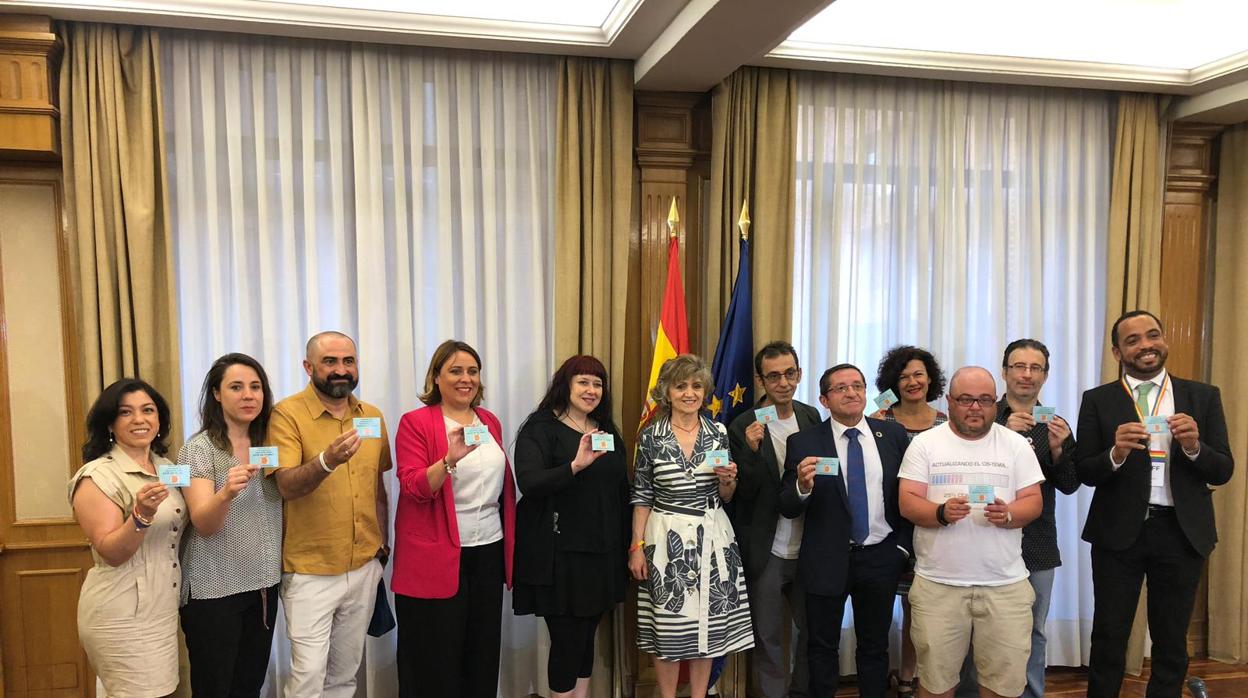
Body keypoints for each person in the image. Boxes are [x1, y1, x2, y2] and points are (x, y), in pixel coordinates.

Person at [1076, 311, 1233, 697]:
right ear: (1117, 351)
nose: (1145, 345)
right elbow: (1084, 470)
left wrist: (1195, 447)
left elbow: (1223, 469)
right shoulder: (1098, 400)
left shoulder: (1202, 395)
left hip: (1181, 533)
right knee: (1109, 634)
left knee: (1171, 637)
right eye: (1133, 340)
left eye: (1153, 335)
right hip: (1118, 534)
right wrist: (1114, 453)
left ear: (1164, 341)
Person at [898, 366, 1044, 698]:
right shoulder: (925, 444)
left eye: (984, 400)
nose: (975, 407)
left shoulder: (1015, 444)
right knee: (935, 684)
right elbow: (907, 502)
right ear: (949, 401)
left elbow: (1033, 501)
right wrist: (940, 513)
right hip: (938, 586)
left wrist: (1008, 514)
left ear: (996, 403)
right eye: (966, 399)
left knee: (1003, 686)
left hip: (1005, 586)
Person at [778, 363, 913, 698]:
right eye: (841, 388)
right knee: (822, 648)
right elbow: (787, 504)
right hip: (826, 559)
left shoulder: (892, 436)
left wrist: (901, 550)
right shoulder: (804, 441)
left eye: (857, 385)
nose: (851, 393)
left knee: (874, 647)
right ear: (824, 399)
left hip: (881, 557)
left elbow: (907, 496)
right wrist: (802, 486)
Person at [268, 331, 391, 698]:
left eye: (348, 361)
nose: (341, 370)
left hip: (364, 565)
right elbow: (286, 486)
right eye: (330, 362)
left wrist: (383, 547)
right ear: (309, 367)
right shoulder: (286, 415)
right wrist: (326, 461)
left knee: (345, 674)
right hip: (310, 570)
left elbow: (377, 487)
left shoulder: (371, 415)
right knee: (307, 676)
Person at [392, 340, 516, 698]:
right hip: (435, 555)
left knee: (481, 651)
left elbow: (499, 487)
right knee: (434, 658)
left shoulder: (488, 420)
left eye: (472, 371)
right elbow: (414, 486)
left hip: (487, 550)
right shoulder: (416, 422)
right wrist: (448, 460)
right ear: (436, 377)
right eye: (456, 371)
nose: (466, 379)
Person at [955, 340, 1078, 698]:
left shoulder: (1055, 423)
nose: (1026, 374)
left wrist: (1057, 449)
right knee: (974, 628)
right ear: (1005, 371)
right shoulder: (981, 416)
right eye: (1018, 366)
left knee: (1032, 629)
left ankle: (1030, 694)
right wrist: (1004, 432)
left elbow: (1069, 485)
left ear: (1045, 375)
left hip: (1035, 542)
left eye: (1035, 367)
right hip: (982, 536)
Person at [629, 354, 754, 698]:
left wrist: (729, 480)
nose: (689, 393)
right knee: (668, 630)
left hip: (714, 539)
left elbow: (726, 494)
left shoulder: (719, 432)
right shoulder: (651, 436)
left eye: (696, 386)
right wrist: (636, 548)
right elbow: (641, 496)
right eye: (681, 386)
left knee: (709, 626)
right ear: (666, 392)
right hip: (664, 541)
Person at [512, 355, 630, 698]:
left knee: (586, 636)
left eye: (597, 383)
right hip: (559, 557)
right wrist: (575, 466)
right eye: (583, 382)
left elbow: (620, 489)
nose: (591, 390)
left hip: (602, 553)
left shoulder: (605, 430)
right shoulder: (540, 427)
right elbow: (529, 482)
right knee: (567, 640)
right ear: (565, 385)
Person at [69, 378, 186, 697]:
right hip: (121, 611)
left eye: (148, 410)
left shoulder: (167, 467)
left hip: (161, 608)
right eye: (126, 412)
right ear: (110, 423)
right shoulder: (96, 476)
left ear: (159, 419)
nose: (139, 419)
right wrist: (140, 516)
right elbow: (111, 551)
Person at [179, 353, 283, 697]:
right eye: (236, 387)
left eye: (256, 387)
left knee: (249, 686)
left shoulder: (272, 443)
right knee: (214, 688)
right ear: (217, 393)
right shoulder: (198, 449)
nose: (248, 395)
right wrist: (225, 492)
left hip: (264, 585)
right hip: (214, 590)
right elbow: (203, 524)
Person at [728, 341, 821, 698]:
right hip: (766, 546)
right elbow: (742, 493)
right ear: (761, 380)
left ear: (798, 374)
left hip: (808, 545)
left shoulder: (811, 415)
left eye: (790, 373)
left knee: (812, 630)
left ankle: (802, 692)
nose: (783, 382)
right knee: (767, 635)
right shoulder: (743, 425)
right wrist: (750, 452)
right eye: (774, 376)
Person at [871, 344, 948, 696]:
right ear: (893, 383)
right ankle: (877, 674)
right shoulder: (880, 421)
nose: (912, 382)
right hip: (889, 526)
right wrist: (875, 412)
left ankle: (908, 677)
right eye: (903, 377)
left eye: (918, 374)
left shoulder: (946, 423)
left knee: (919, 607)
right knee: (883, 604)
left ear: (930, 378)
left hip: (933, 524)